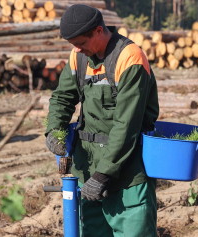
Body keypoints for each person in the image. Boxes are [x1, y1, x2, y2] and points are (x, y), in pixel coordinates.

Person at [45, 4, 159, 237]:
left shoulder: (129, 58)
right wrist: (54, 130)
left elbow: (126, 125)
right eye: (73, 44)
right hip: (87, 170)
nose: (77, 49)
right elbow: (62, 97)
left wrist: (103, 175)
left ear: (98, 31)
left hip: (127, 176)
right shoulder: (79, 56)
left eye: (81, 43)